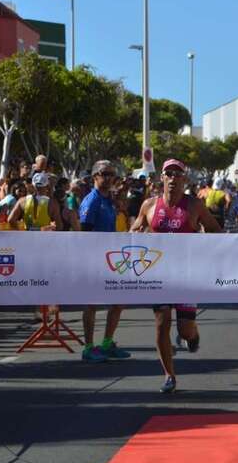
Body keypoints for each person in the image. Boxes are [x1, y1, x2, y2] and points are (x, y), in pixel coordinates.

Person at [131, 158, 222, 393]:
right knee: (161, 323)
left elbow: (215, 230)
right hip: (159, 274)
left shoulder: (194, 206)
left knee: (184, 329)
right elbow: (134, 231)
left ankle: (193, 335)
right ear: (161, 177)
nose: (173, 178)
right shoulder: (149, 205)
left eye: (177, 174)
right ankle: (169, 375)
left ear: (185, 179)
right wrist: (136, 236)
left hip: (186, 275)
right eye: (168, 174)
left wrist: (205, 246)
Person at [78, 160, 129, 362]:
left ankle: (107, 343)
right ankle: (89, 347)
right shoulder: (91, 201)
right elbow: (84, 233)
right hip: (94, 260)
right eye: (104, 174)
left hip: (112, 259)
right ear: (94, 177)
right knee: (91, 304)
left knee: (119, 301)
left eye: (112, 175)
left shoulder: (109, 199)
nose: (109, 178)